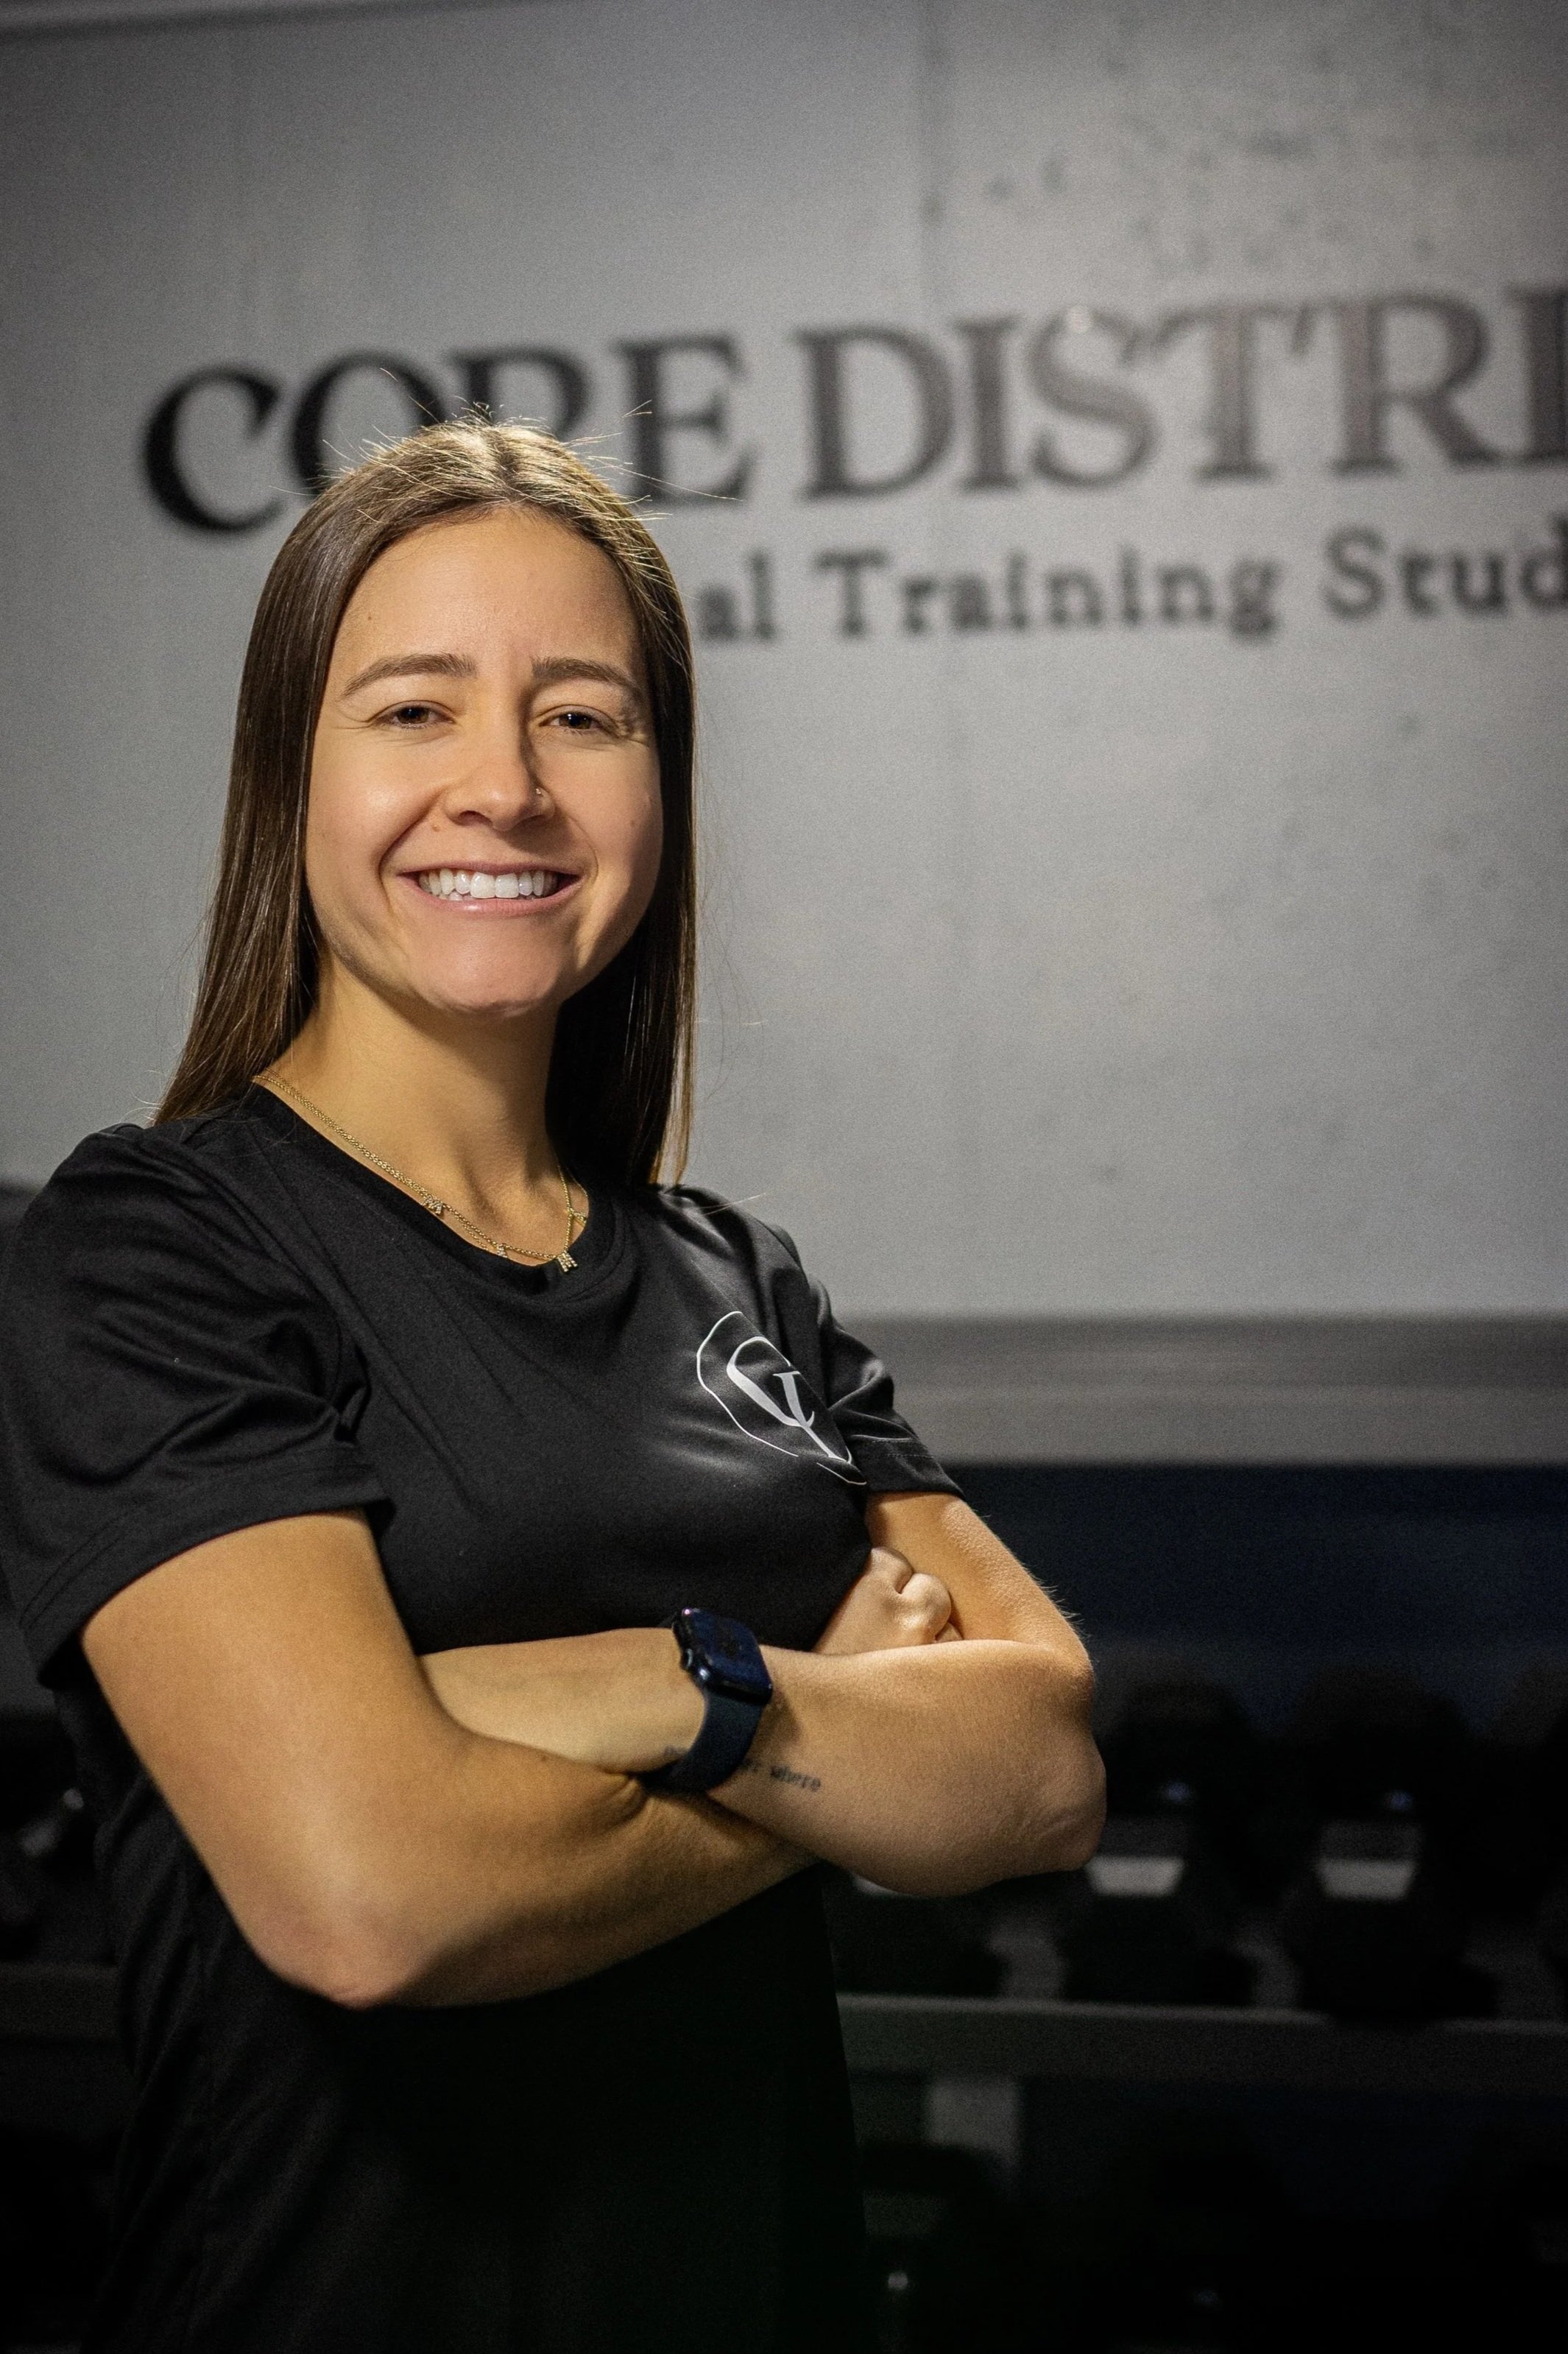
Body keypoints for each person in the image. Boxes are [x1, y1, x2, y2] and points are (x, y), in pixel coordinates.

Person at [0, 420, 1103, 2354]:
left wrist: (611, 1697)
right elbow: (374, 1902)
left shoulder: (730, 1276)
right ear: (291, 778)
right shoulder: (155, 1251)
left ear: (658, 786)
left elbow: (1039, 1771)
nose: (500, 788)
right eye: (411, 711)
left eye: (582, 718)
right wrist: (813, 1733)